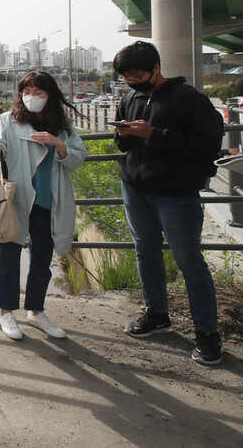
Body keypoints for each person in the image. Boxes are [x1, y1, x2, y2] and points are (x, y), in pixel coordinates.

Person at [111, 41, 224, 365]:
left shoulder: (189, 100)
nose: (132, 80)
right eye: (126, 76)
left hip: (176, 195)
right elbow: (121, 144)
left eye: (137, 74)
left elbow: (207, 145)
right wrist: (124, 135)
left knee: (189, 262)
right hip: (135, 188)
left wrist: (153, 134)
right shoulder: (129, 98)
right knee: (145, 251)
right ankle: (156, 314)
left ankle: (207, 334)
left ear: (156, 68)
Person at [0, 70, 87, 341]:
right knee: (9, 255)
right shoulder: (8, 120)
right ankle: (6, 312)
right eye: (27, 92)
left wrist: (58, 144)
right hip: (16, 200)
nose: (32, 98)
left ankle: (36, 311)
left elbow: (78, 158)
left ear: (49, 95)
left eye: (39, 93)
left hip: (48, 199)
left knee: (42, 259)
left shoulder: (62, 127)